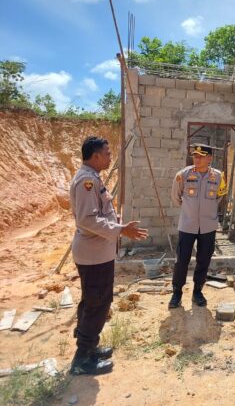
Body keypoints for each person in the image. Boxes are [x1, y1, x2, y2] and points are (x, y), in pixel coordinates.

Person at [69, 136, 148, 375]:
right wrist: (121, 230)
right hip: (93, 256)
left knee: (93, 300)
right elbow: (87, 219)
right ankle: (82, 360)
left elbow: (100, 215)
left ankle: (89, 347)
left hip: (97, 253)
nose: (110, 157)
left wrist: (118, 226)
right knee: (97, 303)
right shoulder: (86, 182)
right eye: (107, 153)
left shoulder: (92, 178)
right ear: (95, 156)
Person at [169, 144, 227, 309]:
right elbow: (176, 197)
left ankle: (197, 291)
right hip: (187, 225)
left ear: (210, 158)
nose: (197, 159)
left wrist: (207, 211)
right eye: (195, 155)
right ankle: (177, 292)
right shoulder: (183, 175)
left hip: (208, 226)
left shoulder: (218, 177)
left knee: (204, 260)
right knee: (182, 260)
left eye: (201, 156)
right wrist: (189, 210)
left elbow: (219, 197)